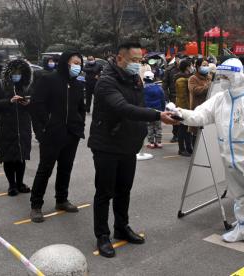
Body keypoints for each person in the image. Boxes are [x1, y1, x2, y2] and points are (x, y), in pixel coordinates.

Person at [174, 58, 244, 253]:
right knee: (238, 196)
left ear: (238, 76)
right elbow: (201, 115)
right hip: (230, 161)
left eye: (226, 76)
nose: (222, 80)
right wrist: (181, 114)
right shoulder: (220, 99)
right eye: (220, 76)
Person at [88, 42, 177, 258]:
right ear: (119, 59)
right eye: (134, 61)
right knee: (104, 192)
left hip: (128, 144)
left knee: (124, 190)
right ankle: (102, 235)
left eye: (140, 61)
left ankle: (122, 227)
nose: (138, 65)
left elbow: (139, 106)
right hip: (107, 145)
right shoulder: (106, 82)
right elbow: (123, 108)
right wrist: (157, 115)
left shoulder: (134, 79)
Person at [29, 51, 86, 223]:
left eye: (79, 63)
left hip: (71, 134)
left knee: (65, 168)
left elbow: (80, 108)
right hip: (52, 134)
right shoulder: (48, 80)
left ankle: (61, 199)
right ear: (64, 63)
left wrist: (79, 124)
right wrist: (42, 131)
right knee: (45, 169)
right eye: (74, 63)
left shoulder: (77, 84)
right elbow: (36, 106)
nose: (77, 66)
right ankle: (36, 205)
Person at [0, 59, 32, 196]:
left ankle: (20, 183)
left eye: (19, 73)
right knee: (8, 157)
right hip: (4, 127)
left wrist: (28, 103)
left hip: (23, 127)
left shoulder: (25, 86)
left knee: (21, 157)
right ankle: (11, 185)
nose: (17, 75)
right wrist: (9, 101)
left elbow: (35, 103)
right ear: (8, 73)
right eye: (14, 73)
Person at [188, 58, 211, 144]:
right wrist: (207, 86)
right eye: (204, 65)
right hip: (198, 108)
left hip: (209, 109)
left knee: (207, 133)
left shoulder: (209, 77)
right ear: (198, 66)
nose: (206, 67)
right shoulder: (193, 78)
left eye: (207, 65)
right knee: (197, 133)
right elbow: (194, 91)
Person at [175, 59, 194, 157]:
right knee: (182, 128)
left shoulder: (185, 78)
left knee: (186, 128)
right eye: (190, 66)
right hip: (183, 107)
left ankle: (188, 147)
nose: (192, 67)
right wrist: (188, 109)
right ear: (187, 67)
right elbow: (183, 96)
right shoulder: (181, 80)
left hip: (184, 106)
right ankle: (182, 149)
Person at [143, 71, 165, 149]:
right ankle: (159, 142)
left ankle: (151, 142)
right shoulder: (159, 88)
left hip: (147, 111)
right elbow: (162, 100)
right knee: (158, 126)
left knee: (150, 126)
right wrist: (163, 110)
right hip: (158, 110)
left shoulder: (143, 89)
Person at [162, 55, 181, 143]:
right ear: (175, 59)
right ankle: (175, 135)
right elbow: (165, 84)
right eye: (178, 58)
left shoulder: (187, 68)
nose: (179, 60)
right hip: (173, 96)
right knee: (175, 115)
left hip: (185, 96)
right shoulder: (169, 70)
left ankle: (183, 135)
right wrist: (166, 97)